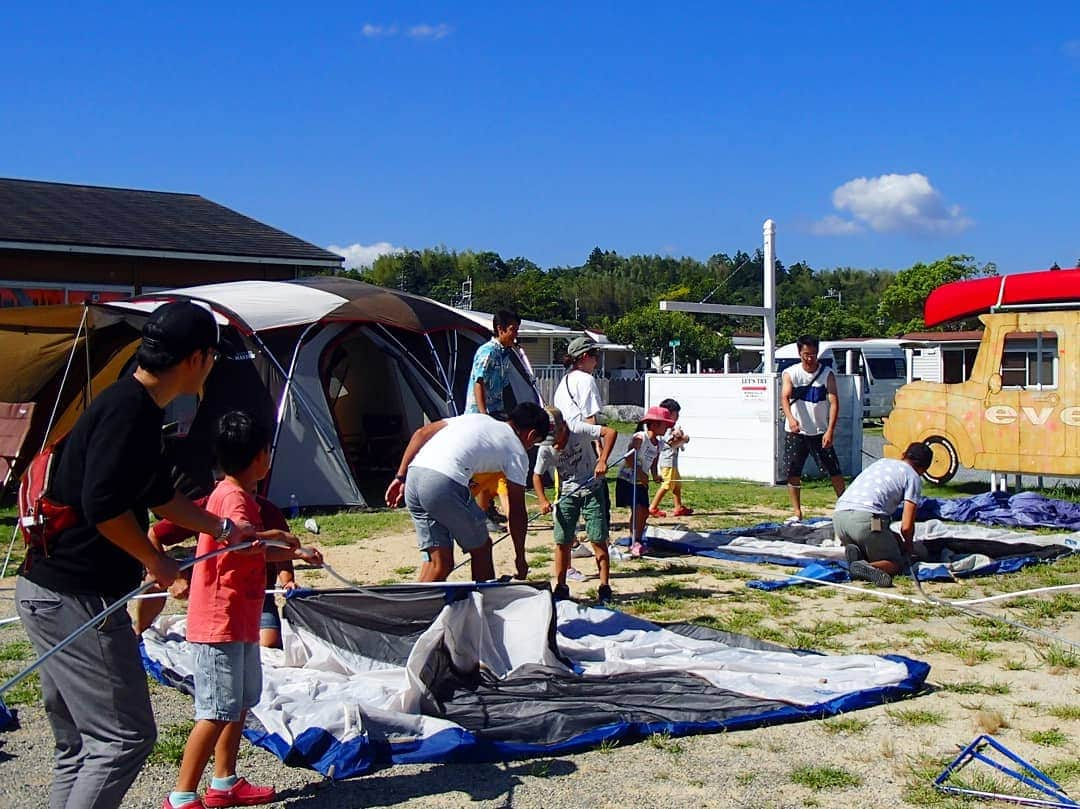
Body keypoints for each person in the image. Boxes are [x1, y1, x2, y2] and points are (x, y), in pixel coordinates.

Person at [15, 301, 261, 809]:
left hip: (48, 593)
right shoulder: (129, 410)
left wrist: (220, 526)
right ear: (197, 358)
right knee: (123, 739)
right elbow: (103, 506)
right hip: (76, 598)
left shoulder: (139, 410)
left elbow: (155, 493)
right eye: (212, 357)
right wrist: (158, 563)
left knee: (80, 745)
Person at [166, 411, 321, 809]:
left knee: (238, 702)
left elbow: (252, 546)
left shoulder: (238, 495)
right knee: (216, 709)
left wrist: (296, 553)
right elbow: (244, 544)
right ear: (260, 458)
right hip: (219, 623)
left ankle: (225, 781)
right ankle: (182, 796)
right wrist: (285, 538)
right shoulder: (232, 499)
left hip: (241, 619)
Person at [385, 402, 551, 583]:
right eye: (534, 443)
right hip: (443, 483)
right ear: (531, 435)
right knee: (482, 547)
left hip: (414, 476)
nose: (530, 448)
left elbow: (421, 433)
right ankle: (482, 606)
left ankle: (413, 608)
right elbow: (517, 510)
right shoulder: (517, 451)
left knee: (440, 564)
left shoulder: (477, 418)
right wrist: (520, 557)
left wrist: (400, 477)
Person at [135, 494, 299, 649]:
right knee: (154, 578)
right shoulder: (206, 508)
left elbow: (276, 552)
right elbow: (154, 534)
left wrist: (287, 579)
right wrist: (176, 577)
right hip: (212, 585)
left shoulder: (267, 511)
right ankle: (139, 632)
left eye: (252, 491)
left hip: (252, 589)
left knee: (267, 644)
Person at [532, 407, 617, 603]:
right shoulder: (546, 448)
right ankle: (561, 587)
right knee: (563, 540)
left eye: (556, 439)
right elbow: (536, 475)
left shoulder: (579, 430)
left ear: (563, 428)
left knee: (597, 538)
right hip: (566, 495)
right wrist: (542, 500)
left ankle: (604, 586)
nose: (555, 445)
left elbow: (610, 432)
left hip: (592, 489)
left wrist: (602, 460)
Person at [833, 442, 933, 588]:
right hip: (867, 519)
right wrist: (909, 548)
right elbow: (906, 526)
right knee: (895, 561)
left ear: (903, 455)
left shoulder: (882, 463)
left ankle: (857, 551)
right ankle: (868, 567)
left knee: (879, 538)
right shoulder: (912, 477)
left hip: (839, 519)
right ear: (924, 469)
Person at [465, 309, 522, 528]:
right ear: (500, 329)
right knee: (481, 465)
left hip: (497, 410)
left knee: (494, 463)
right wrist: (483, 414)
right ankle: (479, 511)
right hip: (480, 413)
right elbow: (479, 382)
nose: (515, 335)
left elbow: (505, 386)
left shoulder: (505, 354)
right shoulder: (487, 351)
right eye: (512, 330)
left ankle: (488, 508)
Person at [780, 334, 846, 522]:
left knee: (834, 469)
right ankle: (797, 512)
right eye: (806, 354)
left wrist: (830, 430)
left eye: (813, 354)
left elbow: (834, 402)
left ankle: (845, 506)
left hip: (820, 430)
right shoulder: (791, 373)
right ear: (800, 353)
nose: (810, 359)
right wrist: (791, 418)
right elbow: (784, 397)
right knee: (793, 471)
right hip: (796, 431)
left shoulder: (827, 374)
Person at [616, 405, 675, 558]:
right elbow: (629, 457)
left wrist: (655, 475)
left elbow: (654, 462)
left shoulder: (658, 444)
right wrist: (639, 472)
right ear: (654, 424)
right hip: (628, 479)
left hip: (641, 481)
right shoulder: (640, 438)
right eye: (664, 424)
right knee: (637, 511)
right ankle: (633, 542)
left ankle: (638, 539)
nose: (667, 427)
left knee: (644, 511)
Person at [649, 397, 693, 518]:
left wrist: (682, 437)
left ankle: (678, 507)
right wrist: (684, 439)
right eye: (676, 413)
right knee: (667, 484)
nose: (677, 415)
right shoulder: (666, 427)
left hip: (673, 460)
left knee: (677, 484)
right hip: (667, 461)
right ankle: (653, 507)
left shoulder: (671, 426)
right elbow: (671, 443)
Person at [554, 336, 603, 429]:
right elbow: (590, 420)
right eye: (595, 356)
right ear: (585, 356)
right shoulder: (586, 379)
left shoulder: (565, 380)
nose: (596, 362)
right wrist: (597, 443)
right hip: (580, 440)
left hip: (565, 437)